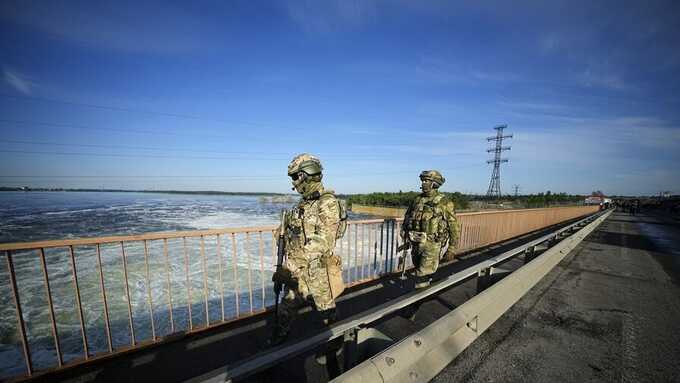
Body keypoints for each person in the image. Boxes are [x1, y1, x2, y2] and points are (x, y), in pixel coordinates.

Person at [271, 153, 345, 346]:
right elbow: (289, 233)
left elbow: (323, 240)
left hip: (317, 273)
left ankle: (335, 344)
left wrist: (291, 265)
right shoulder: (302, 205)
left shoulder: (327, 202)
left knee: (326, 313)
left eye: (296, 177)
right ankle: (277, 344)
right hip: (298, 273)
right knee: (286, 308)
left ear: (308, 174)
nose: (294, 184)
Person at [402, 170, 459, 289]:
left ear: (435, 183)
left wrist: (452, 248)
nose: (423, 183)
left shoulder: (444, 202)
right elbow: (408, 217)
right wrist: (404, 232)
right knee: (420, 270)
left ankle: (416, 303)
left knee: (421, 275)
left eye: (427, 181)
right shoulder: (417, 200)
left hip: (432, 245)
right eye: (423, 181)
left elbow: (453, 226)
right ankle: (428, 289)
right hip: (416, 243)